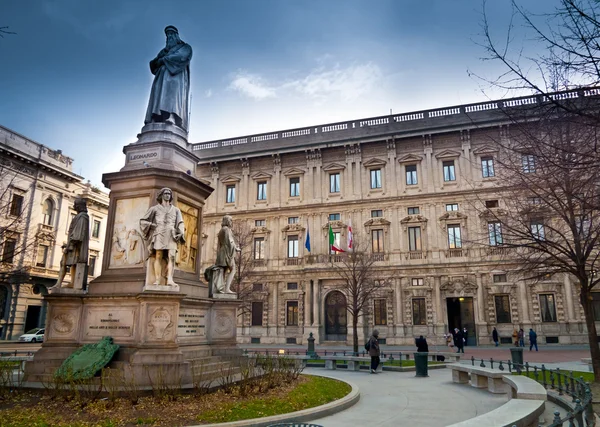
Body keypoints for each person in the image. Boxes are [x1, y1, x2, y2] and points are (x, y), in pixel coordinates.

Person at [145, 26, 192, 131]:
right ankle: (155, 117)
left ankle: (172, 116)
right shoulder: (163, 51)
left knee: (173, 95)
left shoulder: (185, 47)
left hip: (176, 76)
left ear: (176, 35)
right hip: (161, 78)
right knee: (158, 95)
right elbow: (154, 62)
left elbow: (182, 57)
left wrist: (164, 60)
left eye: (171, 34)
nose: (169, 37)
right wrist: (160, 60)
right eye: (167, 35)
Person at [140, 188, 185, 287]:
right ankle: (157, 279)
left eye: (169, 193)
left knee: (172, 256)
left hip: (171, 233)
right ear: (161, 195)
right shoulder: (155, 209)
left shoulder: (176, 210)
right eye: (165, 193)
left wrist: (181, 232)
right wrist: (152, 225)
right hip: (159, 233)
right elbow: (143, 221)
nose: (167, 195)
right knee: (158, 255)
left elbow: (180, 222)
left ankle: (170, 279)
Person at [54, 198, 89, 289]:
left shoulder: (83, 216)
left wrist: (71, 244)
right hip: (73, 244)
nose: (74, 206)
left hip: (75, 246)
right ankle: (64, 283)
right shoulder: (81, 216)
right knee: (66, 263)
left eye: (75, 204)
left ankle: (67, 283)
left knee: (69, 263)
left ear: (79, 206)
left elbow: (78, 233)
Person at [212, 215, 241, 294]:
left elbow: (219, 244)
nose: (232, 222)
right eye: (231, 220)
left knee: (223, 271)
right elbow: (230, 241)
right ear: (228, 221)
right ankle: (227, 289)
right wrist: (236, 249)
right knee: (233, 269)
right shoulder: (227, 230)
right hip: (227, 252)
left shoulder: (221, 230)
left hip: (221, 252)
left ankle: (220, 288)